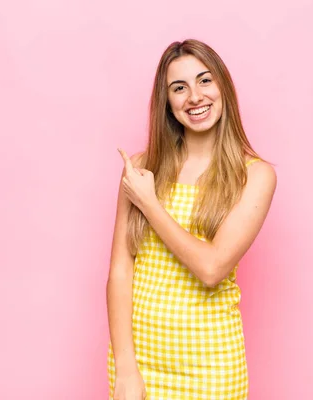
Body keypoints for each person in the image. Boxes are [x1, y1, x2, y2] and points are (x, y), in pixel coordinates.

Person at [106, 39, 277, 400]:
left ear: (223, 87)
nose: (194, 96)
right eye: (179, 88)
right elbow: (120, 272)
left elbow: (212, 267)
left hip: (211, 368)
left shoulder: (254, 176)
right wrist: (125, 369)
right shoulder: (140, 170)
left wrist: (150, 204)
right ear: (167, 103)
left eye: (205, 81)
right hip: (138, 364)